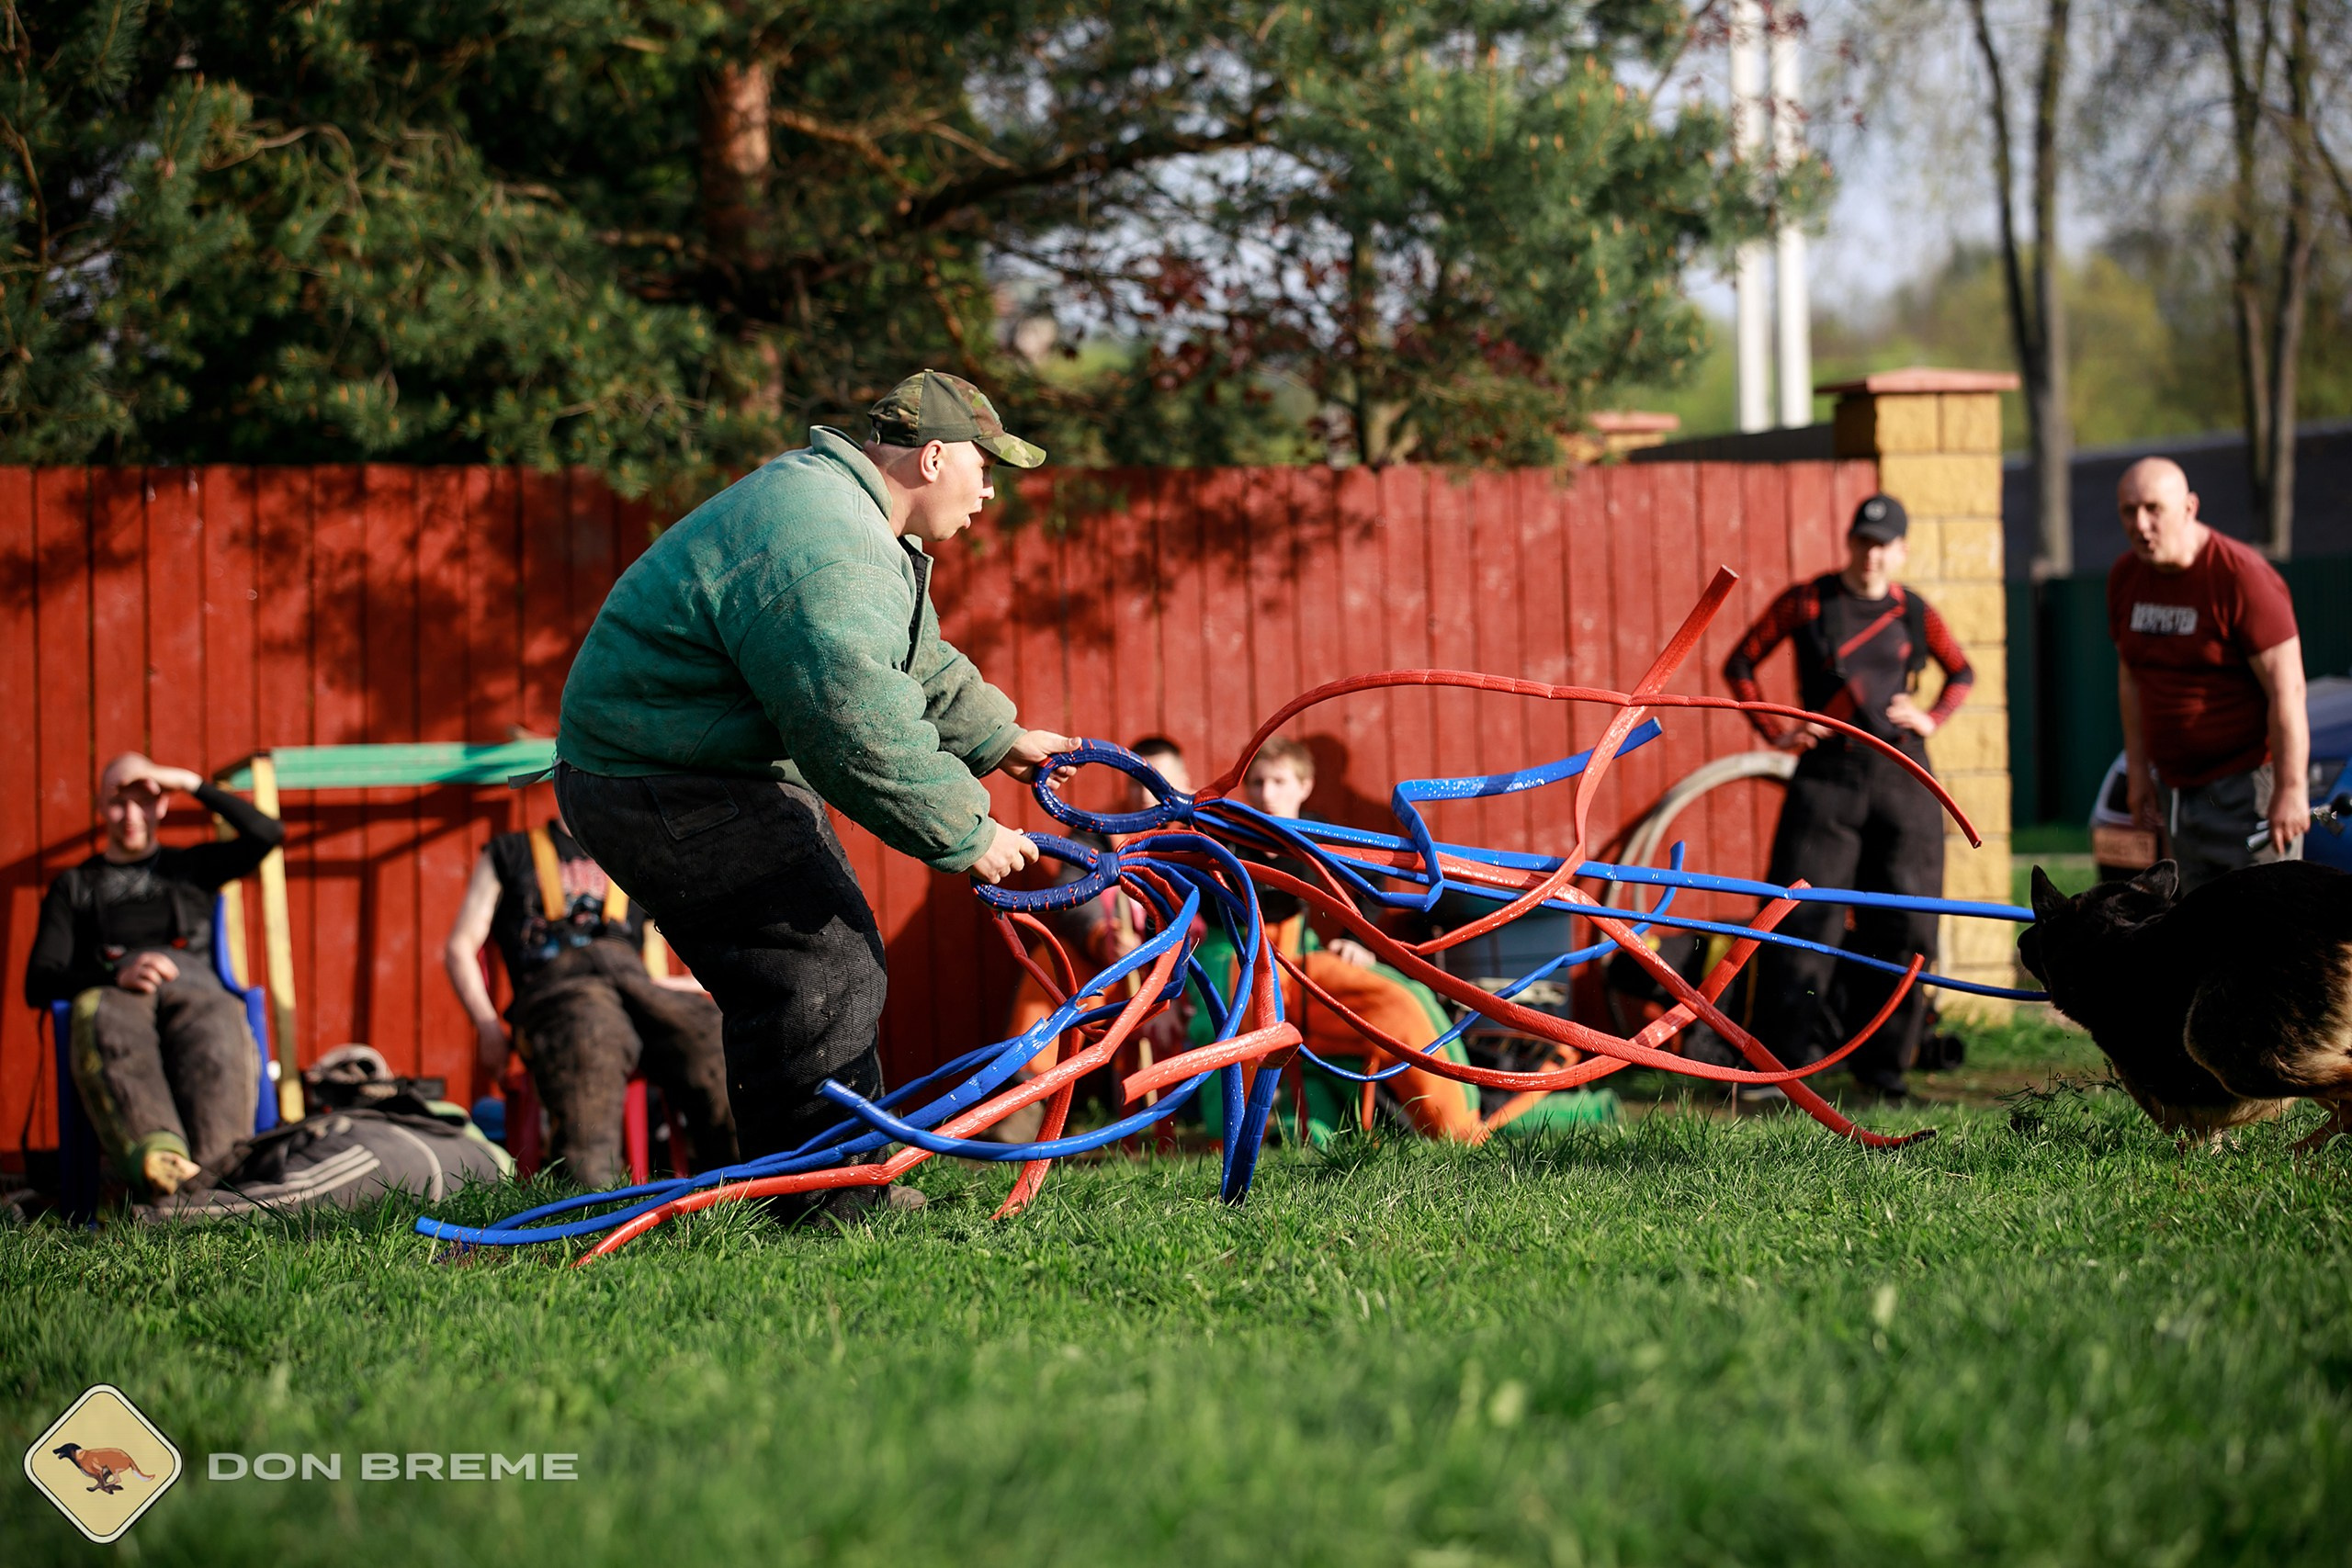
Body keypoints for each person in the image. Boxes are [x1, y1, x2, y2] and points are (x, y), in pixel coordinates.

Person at [550, 369, 1075, 1224]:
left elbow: (903, 658)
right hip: (657, 779)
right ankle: (824, 1204)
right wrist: (970, 831)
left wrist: (1000, 738)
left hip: (688, 765)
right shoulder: (830, 543)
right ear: (933, 458)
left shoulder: (844, 510)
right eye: (984, 468)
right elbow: (855, 724)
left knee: (820, 963)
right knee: (817, 966)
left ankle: (826, 1186)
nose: (988, 491)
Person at [1722, 494, 1974, 1102]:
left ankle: (1884, 1072)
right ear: (1849, 542)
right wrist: (1778, 731)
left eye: (1885, 545)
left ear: (1902, 550)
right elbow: (1740, 664)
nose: (1872, 555)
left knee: (1907, 925)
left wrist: (1932, 717)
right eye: (1864, 541)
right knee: (1798, 918)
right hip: (1826, 782)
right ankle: (1778, 1073)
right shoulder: (1807, 601)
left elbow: (1962, 672)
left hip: (1904, 778)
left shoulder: (1915, 611)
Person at [1191, 737, 1482, 1142]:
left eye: (1278, 781)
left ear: (1304, 786)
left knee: (1403, 999)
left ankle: (1458, 1129)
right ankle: (1232, 1141)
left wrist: (1356, 938)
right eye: (1257, 783)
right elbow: (1178, 897)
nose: (1266, 794)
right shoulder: (1223, 839)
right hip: (1236, 955)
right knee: (1233, 1020)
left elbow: (1374, 876)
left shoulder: (1319, 835)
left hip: (1299, 957)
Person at [24, 753, 285, 1196]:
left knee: (218, 1021)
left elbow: (268, 833)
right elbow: (40, 981)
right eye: (117, 802)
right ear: (100, 807)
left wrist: (188, 781)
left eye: (144, 800)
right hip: (117, 995)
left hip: (196, 991)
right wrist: (114, 974)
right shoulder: (75, 887)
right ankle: (162, 1162)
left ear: (163, 804)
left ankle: (216, 1176)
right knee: (109, 1022)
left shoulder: (191, 869)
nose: (131, 815)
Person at [442, 813, 737, 1186]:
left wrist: (690, 987)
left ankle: (738, 1186)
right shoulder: (510, 852)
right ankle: (592, 1200)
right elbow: (460, 947)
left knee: (707, 1031)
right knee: (590, 1038)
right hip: (558, 992)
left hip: (631, 984)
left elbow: (691, 941)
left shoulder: (633, 853)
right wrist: (488, 1029)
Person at [2109, 457, 2307, 890]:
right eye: (2128, 510)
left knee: (2261, 919)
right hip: (2176, 791)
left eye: (2153, 509)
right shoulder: (2126, 578)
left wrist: (2291, 788)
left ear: (2189, 508)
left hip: (2249, 788)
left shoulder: (2241, 577)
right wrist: (2138, 770)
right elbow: (2131, 678)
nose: (2140, 524)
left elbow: (2288, 690)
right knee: (2197, 923)